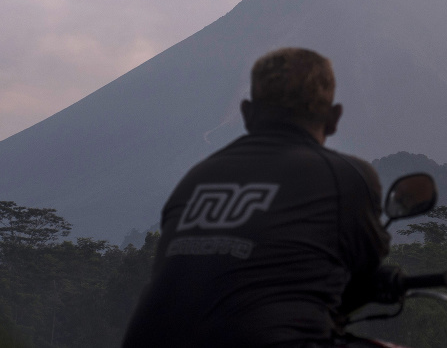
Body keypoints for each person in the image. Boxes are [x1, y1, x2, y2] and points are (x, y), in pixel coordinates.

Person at [122, 48, 390, 347]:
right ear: (333, 117)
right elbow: (363, 271)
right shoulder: (346, 176)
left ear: (247, 113)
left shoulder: (195, 178)